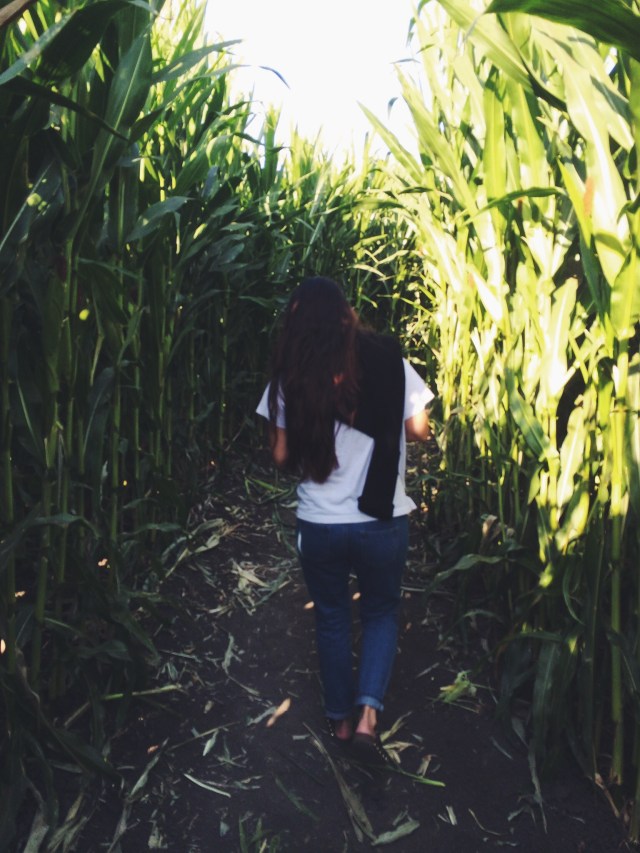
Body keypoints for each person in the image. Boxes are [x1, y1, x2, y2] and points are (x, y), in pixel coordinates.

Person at [256, 276, 433, 766]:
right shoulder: (389, 362)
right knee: (380, 611)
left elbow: (280, 454)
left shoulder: (289, 377)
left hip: (320, 524)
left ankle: (338, 718)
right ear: (344, 315)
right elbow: (419, 429)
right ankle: (369, 719)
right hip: (383, 519)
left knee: (332, 616)